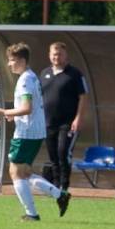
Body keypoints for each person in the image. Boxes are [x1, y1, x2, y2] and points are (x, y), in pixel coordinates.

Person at [0, 42, 71, 221]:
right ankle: (60, 195)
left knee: (15, 172)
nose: (9, 64)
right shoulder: (32, 76)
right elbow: (28, 107)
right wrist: (13, 115)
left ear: (21, 61)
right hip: (34, 130)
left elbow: (27, 108)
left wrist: (5, 112)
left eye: (12, 60)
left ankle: (32, 214)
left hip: (26, 132)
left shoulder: (25, 80)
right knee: (25, 172)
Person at [40, 41, 89, 192]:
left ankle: (64, 186)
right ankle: (55, 186)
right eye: (54, 54)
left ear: (65, 55)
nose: (57, 57)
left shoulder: (74, 74)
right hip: (49, 122)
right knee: (53, 155)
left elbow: (83, 96)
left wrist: (78, 118)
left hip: (67, 123)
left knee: (63, 152)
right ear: (49, 55)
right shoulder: (44, 73)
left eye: (60, 54)